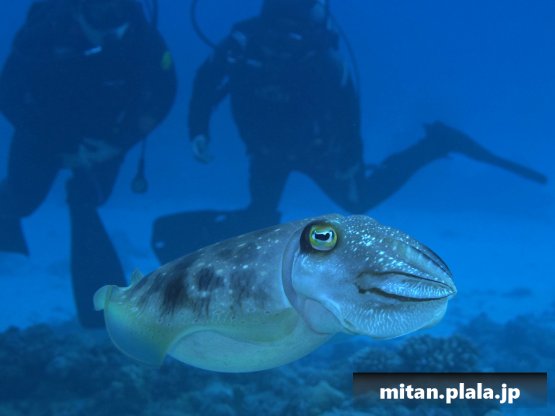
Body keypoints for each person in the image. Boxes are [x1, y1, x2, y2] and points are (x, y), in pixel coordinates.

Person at [186, 0, 546, 229]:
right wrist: (198, 129)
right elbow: (206, 81)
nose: (283, 41)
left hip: (317, 151)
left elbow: (347, 115)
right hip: (265, 151)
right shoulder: (242, 44)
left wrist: (348, 159)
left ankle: (435, 144)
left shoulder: (324, 58)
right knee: (261, 217)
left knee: (358, 200)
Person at [0, 0, 177, 327]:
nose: (109, 25)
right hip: (41, 134)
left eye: (118, 12)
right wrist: (54, 146)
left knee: (86, 199)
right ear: (78, 10)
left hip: (105, 139)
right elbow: (9, 94)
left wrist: (120, 143)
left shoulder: (142, 39)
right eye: (99, 12)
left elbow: (164, 92)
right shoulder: (43, 36)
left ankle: (102, 317)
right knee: (21, 201)